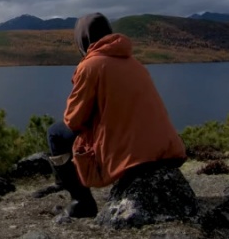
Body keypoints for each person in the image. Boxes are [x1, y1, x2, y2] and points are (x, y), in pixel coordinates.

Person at [45, 12, 187, 218]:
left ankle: (81, 202)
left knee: (56, 134)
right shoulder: (134, 62)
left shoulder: (90, 66)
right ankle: (66, 184)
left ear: (83, 39)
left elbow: (74, 120)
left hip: (131, 152)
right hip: (166, 148)